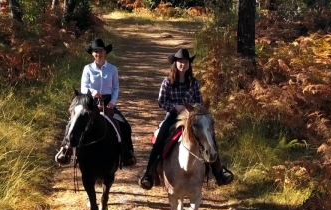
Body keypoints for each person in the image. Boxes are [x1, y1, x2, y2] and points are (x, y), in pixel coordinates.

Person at [138, 48, 234, 190]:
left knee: (210, 137)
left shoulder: (194, 82)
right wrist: (174, 107)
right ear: (175, 63)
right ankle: (149, 173)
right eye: (180, 62)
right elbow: (161, 101)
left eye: (186, 62)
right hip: (173, 116)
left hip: (191, 117)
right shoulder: (167, 82)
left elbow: (199, 102)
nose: (183, 64)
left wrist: (194, 110)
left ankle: (218, 172)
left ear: (189, 64)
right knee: (160, 139)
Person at [56, 38, 136, 167]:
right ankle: (65, 149)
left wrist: (112, 103)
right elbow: (84, 87)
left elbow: (116, 88)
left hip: (108, 102)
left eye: (101, 51)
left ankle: (127, 153)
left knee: (125, 125)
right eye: (95, 51)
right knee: (72, 123)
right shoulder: (87, 68)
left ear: (105, 52)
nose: (98, 53)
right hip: (90, 102)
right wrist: (93, 92)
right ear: (92, 53)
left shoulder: (112, 69)